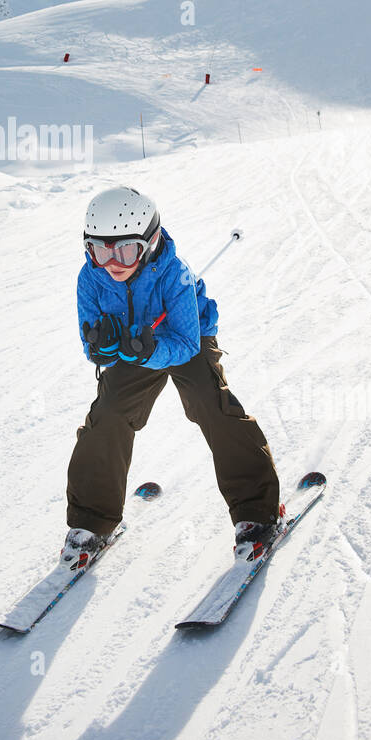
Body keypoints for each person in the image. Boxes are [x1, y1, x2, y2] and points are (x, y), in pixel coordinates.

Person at [63, 185, 282, 570]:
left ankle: (257, 513)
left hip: (187, 338)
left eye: (126, 249)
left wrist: (149, 350)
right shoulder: (91, 278)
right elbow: (89, 339)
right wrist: (104, 348)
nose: (113, 262)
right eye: (100, 249)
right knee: (108, 415)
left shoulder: (175, 274)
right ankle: (92, 523)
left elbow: (183, 344)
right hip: (135, 348)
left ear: (151, 241)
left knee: (211, 405)